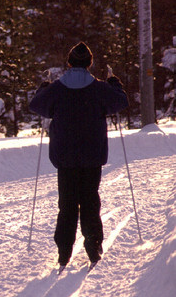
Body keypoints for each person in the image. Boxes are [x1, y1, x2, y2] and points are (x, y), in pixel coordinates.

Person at [29, 42, 129, 267]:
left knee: (67, 203)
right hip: (92, 155)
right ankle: (93, 249)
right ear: (90, 63)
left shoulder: (57, 88)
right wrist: (115, 84)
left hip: (65, 157)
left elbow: (37, 105)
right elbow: (120, 102)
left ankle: (64, 251)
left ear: (69, 63)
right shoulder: (99, 88)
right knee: (90, 201)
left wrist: (43, 88)